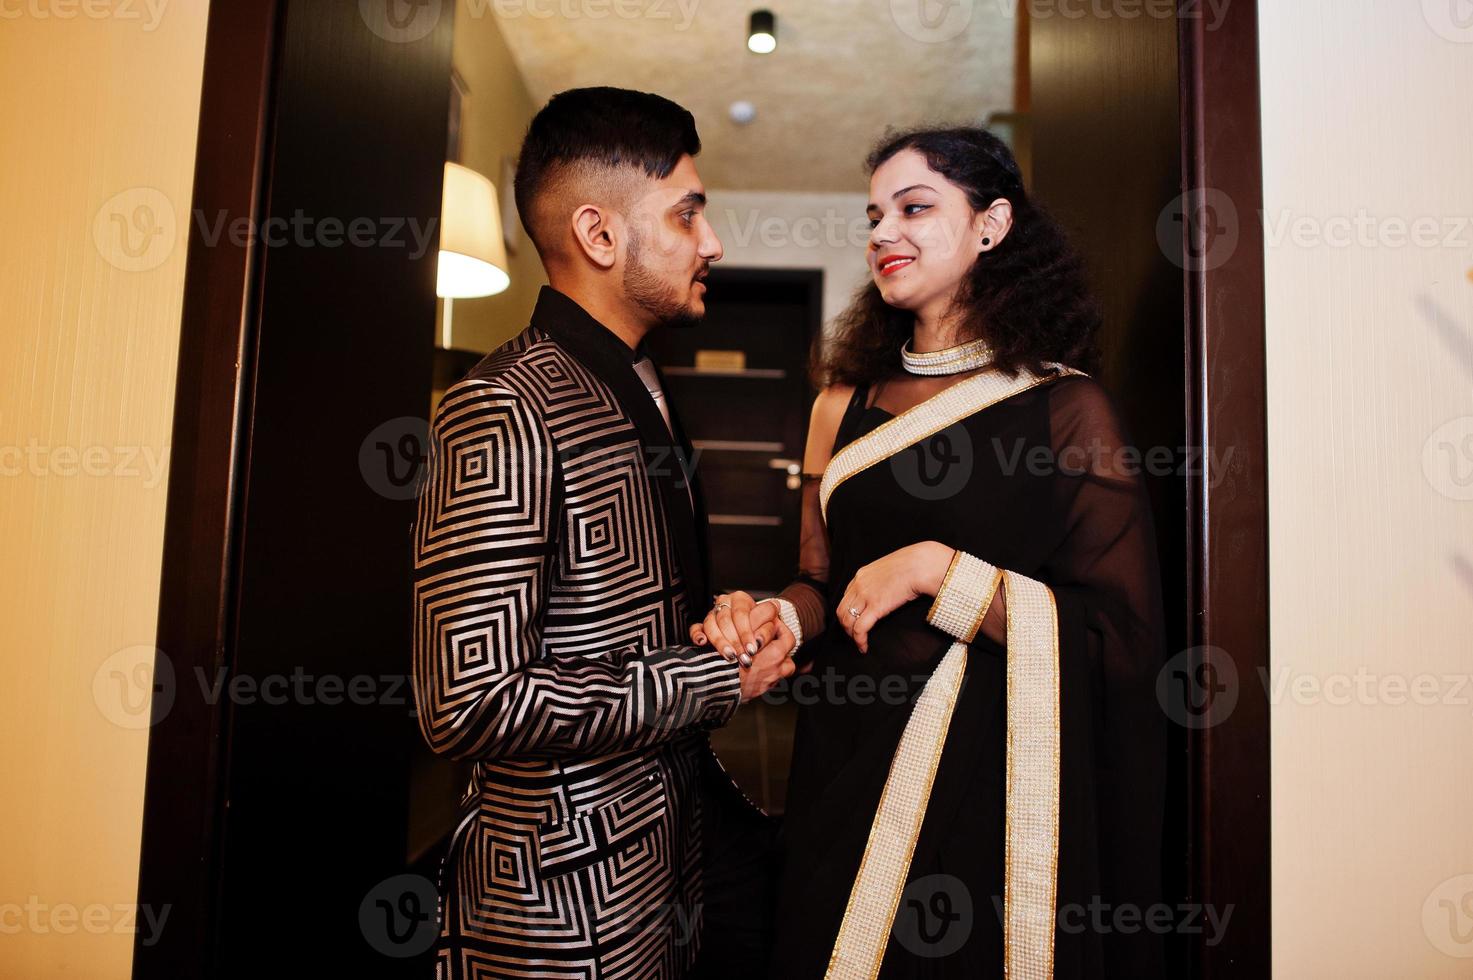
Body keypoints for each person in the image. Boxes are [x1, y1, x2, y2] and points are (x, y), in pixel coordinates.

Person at [696, 126, 1168, 978]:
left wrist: (936, 572)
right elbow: (820, 581)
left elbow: (1121, 639)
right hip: (844, 753)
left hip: (985, 774)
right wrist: (782, 618)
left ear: (990, 225)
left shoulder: (1063, 411)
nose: (883, 232)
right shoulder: (839, 405)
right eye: (875, 214)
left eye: (915, 208)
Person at [411, 86, 792, 980]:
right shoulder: (502, 406)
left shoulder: (639, 383)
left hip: (670, 851)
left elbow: (631, 616)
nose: (711, 242)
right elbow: (466, 704)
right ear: (599, 234)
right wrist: (711, 678)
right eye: (687, 214)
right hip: (559, 901)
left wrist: (716, 622)